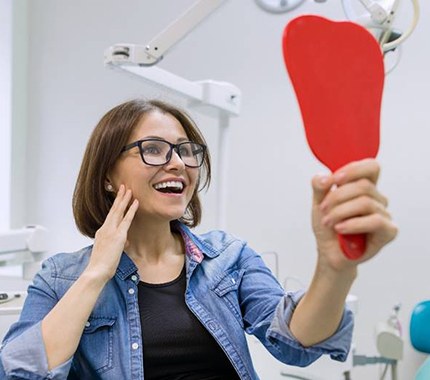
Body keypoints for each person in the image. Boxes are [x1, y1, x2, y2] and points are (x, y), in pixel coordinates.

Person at [0, 99, 397, 379]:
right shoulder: (60, 279)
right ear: (107, 175)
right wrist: (96, 273)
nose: (177, 162)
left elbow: (297, 343)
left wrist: (334, 269)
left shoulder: (228, 258)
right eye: (152, 149)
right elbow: (22, 372)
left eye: (186, 151)